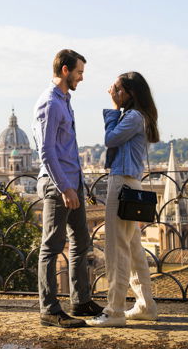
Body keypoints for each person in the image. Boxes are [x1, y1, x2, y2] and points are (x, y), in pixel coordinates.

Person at [33, 48, 104, 327]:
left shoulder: (64, 100)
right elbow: (47, 152)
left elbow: (66, 150)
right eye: (79, 73)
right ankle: (49, 309)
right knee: (51, 246)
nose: (81, 78)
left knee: (80, 241)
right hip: (57, 185)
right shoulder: (50, 103)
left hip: (72, 183)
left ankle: (80, 301)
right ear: (65, 70)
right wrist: (64, 187)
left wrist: (78, 184)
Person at [86, 71, 160, 327]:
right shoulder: (139, 117)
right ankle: (145, 304)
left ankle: (115, 310)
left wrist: (113, 108)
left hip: (122, 183)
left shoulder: (133, 117)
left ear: (131, 93)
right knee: (134, 250)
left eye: (118, 89)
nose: (113, 92)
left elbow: (110, 139)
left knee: (116, 250)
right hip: (131, 182)